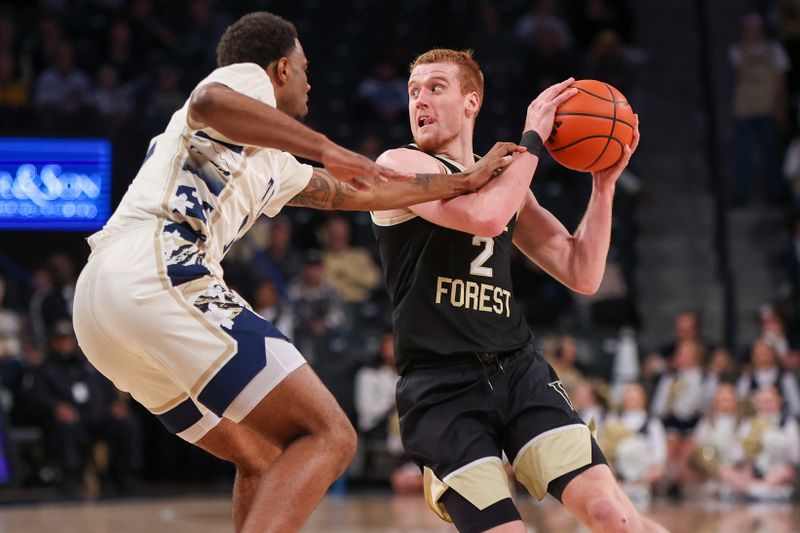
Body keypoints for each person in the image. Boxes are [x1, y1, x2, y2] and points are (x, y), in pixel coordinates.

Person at [72, 13, 515, 533]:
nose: (311, 80)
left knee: (262, 456)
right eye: (304, 69)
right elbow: (208, 103)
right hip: (156, 267)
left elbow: (363, 191)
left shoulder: (274, 162)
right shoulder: (244, 80)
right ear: (281, 69)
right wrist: (327, 146)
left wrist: (461, 184)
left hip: (100, 306)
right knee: (330, 435)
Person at [372, 49, 662, 532]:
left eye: (435, 87)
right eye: (413, 91)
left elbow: (581, 271)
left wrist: (603, 187)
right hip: (439, 389)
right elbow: (483, 217)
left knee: (615, 514)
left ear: (471, 102)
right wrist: (532, 137)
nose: (419, 99)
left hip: (517, 369)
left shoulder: (508, 182)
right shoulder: (399, 164)